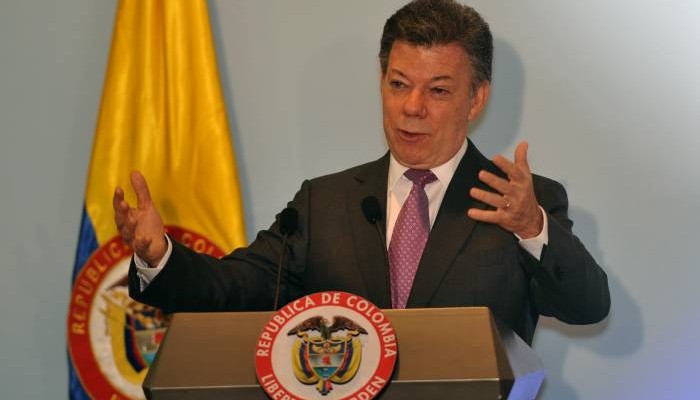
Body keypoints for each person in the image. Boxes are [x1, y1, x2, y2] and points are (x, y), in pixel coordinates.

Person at [114, 0, 610, 345]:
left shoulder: (519, 204)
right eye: (399, 84)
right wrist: (159, 257)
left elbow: (586, 305)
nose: (411, 107)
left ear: (476, 98)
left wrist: (531, 227)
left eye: (438, 91)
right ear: (381, 81)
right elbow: (236, 287)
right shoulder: (325, 204)